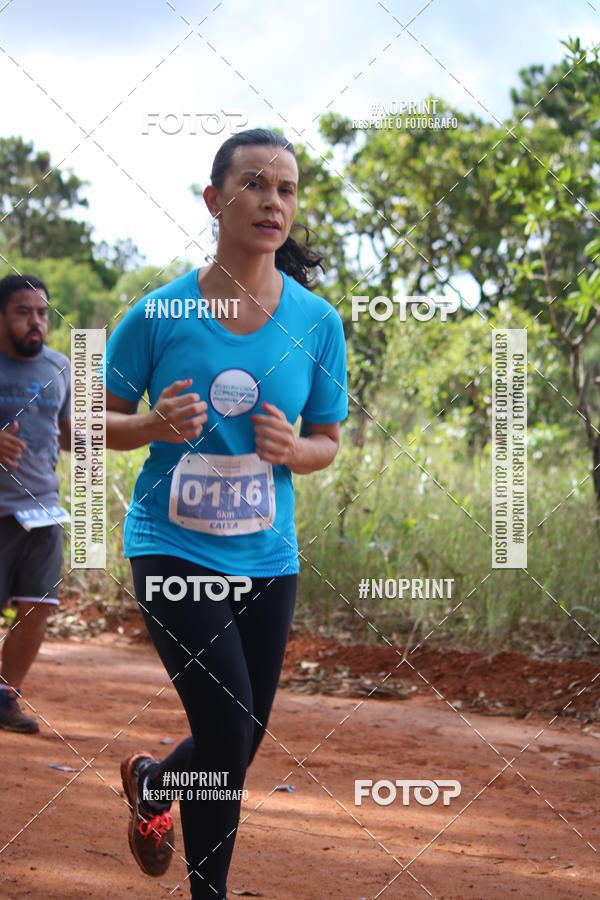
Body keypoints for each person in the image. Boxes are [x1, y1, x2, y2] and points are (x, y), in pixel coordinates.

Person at [104, 128, 348, 898]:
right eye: (254, 184)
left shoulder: (317, 323)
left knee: (237, 740)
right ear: (215, 200)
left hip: (267, 557)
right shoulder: (159, 312)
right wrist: (148, 427)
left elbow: (329, 442)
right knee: (226, 732)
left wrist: (291, 449)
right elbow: (90, 424)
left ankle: (154, 783)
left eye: (285, 188)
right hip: (172, 546)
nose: (272, 201)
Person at [0, 274, 71, 734]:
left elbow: (71, 436)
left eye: (42, 313)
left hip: (44, 508)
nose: (36, 322)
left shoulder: (61, 367)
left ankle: (5, 696)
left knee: (38, 605)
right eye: (24, 312)